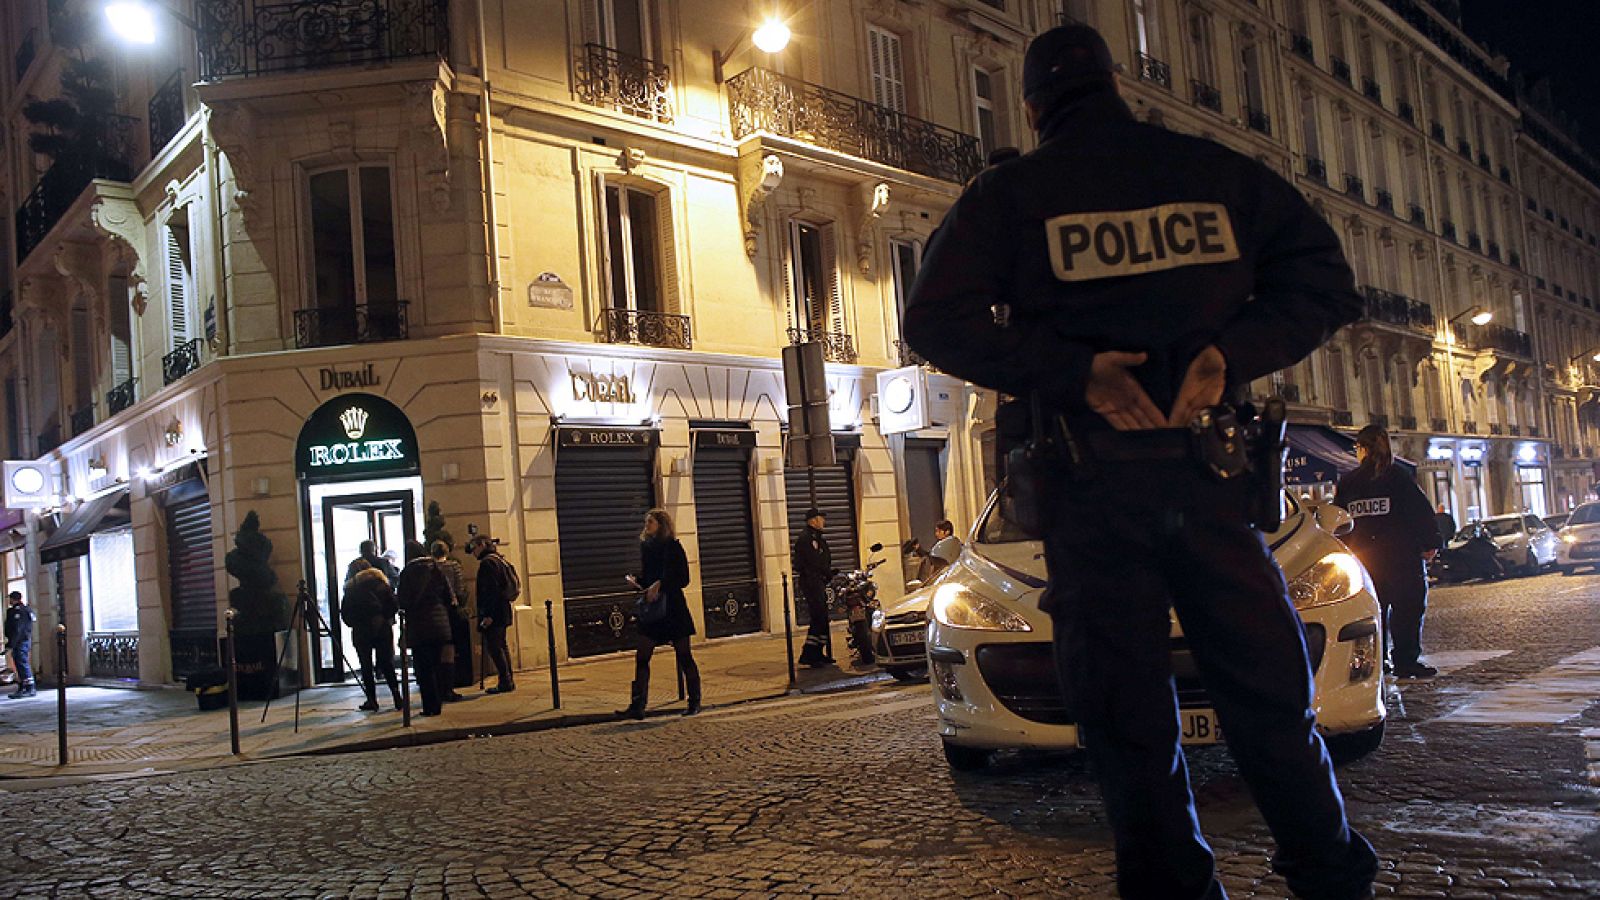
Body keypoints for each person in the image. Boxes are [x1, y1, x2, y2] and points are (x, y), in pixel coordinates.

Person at [904, 24, 1376, 900]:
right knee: (1271, 702)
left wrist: (1072, 372)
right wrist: (1227, 356)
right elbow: (1326, 283)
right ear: (1119, 86)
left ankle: (1174, 890)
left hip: (1091, 491)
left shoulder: (1012, 197)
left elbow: (932, 320)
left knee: (1127, 724)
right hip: (1213, 482)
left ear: (1035, 106)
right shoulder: (1215, 174)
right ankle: (1329, 874)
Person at [1336, 427, 1443, 680]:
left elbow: (1338, 522)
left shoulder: (1350, 483)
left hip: (1364, 560)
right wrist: (1430, 542)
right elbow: (1420, 512)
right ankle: (1406, 661)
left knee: (1372, 612)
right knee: (1408, 611)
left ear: (1362, 448)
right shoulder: (1399, 478)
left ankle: (1376, 662)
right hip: (1401, 557)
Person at [617, 508, 701, 719]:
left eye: (650, 522)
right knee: (642, 656)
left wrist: (661, 584)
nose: (647, 526)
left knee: (684, 655)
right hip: (653, 610)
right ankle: (638, 705)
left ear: (661, 525)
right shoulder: (647, 547)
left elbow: (683, 579)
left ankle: (694, 701)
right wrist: (637, 581)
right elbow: (648, 577)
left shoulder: (673, 547)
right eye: (647, 522)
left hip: (673, 609)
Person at [395, 540, 454, 716]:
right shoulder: (436, 568)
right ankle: (438, 702)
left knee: (423, 669)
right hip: (439, 624)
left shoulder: (408, 572)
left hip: (419, 626)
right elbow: (448, 595)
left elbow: (403, 601)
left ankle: (430, 706)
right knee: (436, 665)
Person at [340, 559, 402, 712]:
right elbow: (394, 605)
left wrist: (355, 623)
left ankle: (372, 700)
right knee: (387, 663)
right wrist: (384, 617)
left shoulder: (351, 588)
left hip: (362, 631)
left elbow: (346, 613)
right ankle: (397, 696)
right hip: (382, 627)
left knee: (366, 666)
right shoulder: (381, 583)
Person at [468, 533, 518, 694]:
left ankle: (505, 681)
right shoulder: (499, 560)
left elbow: (490, 591)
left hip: (494, 613)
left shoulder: (488, 564)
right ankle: (508, 679)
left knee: (495, 647)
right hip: (502, 610)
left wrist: (488, 615)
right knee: (501, 646)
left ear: (482, 545)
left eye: (474, 547)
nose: (473, 552)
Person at [793, 507, 834, 667]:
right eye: (821, 518)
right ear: (813, 520)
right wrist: (826, 573)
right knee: (819, 617)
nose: (824, 521)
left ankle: (816, 652)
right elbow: (812, 562)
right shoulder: (806, 539)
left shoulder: (817, 537)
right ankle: (810, 654)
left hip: (818, 581)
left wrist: (829, 572)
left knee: (821, 618)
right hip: (811, 582)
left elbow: (823, 559)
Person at [431, 540, 470, 700]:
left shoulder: (429, 568)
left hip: (433, 613)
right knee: (449, 650)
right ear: (446, 551)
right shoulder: (453, 567)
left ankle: (438, 687)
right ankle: (449, 687)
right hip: (450, 611)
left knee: (436, 651)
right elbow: (460, 590)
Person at [6, 591, 35, 699]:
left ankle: (29, 687)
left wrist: (11, 644)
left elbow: (18, 629)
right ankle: (23, 685)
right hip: (24, 640)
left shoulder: (18, 611)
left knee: (22, 663)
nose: (9, 600)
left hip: (20, 641)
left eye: (10, 598)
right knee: (19, 663)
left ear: (13, 599)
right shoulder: (27, 610)